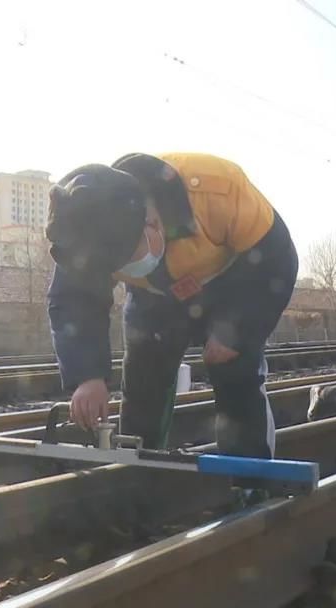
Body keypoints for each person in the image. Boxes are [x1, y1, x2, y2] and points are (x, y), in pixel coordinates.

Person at [45, 152, 298, 461]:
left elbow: (277, 259)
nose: (125, 268)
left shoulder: (217, 189)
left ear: (150, 221)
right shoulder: (88, 230)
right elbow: (73, 301)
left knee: (238, 378)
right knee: (143, 386)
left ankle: (251, 480)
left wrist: (239, 329)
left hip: (233, 285)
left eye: (131, 256)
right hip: (154, 298)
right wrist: (87, 376)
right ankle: (138, 474)